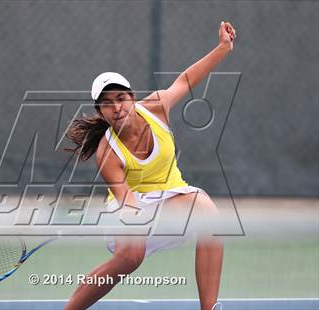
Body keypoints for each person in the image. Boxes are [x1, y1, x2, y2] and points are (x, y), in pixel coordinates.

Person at [64, 21, 236, 310]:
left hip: (172, 196)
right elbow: (127, 202)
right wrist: (138, 221)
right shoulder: (108, 153)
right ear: (100, 112)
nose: (117, 107)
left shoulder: (156, 107)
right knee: (129, 258)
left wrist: (222, 48)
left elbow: (186, 80)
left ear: (132, 97)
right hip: (131, 205)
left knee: (208, 213)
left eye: (121, 98)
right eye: (107, 103)